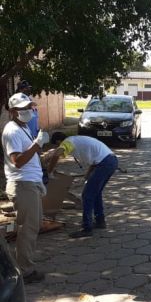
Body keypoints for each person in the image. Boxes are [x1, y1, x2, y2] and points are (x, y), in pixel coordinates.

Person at [2, 93, 49, 283]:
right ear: (13, 112)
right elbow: (18, 161)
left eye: (30, 107)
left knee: (33, 224)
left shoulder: (23, 127)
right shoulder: (12, 130)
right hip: (22, 184)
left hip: (30, 183)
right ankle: (25, 271)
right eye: (23, 109)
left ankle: (22, 263)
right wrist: (37, 145)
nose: (28, 111)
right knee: (27, 228)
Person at [48, 133, 118, 238]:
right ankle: (100, 221)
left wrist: (49, 171)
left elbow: (56, 154)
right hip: (111, 160)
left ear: (58, 141)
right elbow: (95, 161)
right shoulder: (77, 140)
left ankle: (87, 228)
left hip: (104, 163)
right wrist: (87, 175)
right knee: (96, 193)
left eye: (57, 145)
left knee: (87, 196)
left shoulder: (67, 142)